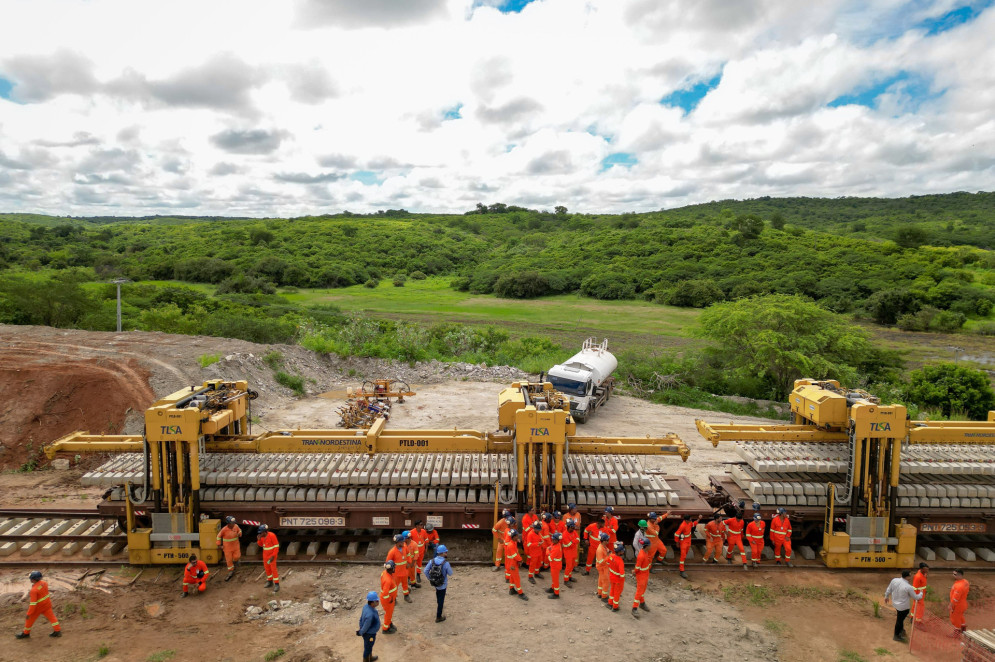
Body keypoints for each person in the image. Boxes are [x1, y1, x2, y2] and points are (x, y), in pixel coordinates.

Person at [15, 571, 61, 639]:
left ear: (33, 579)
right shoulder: (44, 583)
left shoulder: (33, 590)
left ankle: (26, 633)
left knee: (29, 620)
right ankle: (57, 631)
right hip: (47, 604)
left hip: (38, 608)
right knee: (52, 618)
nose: (30, 579)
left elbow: (33, 604)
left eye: (31, 578)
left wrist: (29, 613)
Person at [884, 569, 921, 642]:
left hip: (895, 604)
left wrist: (886, 596)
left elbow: (889, 589)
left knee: (900, 618)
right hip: (903, 607)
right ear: (908, 577)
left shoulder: (894, 580)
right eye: (910, 575)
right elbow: (916, 597)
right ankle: (896, 635)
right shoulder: (908, 587)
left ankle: (901, 630)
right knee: (899, 621)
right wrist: (921, 593)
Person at [424, 544, 454, 622]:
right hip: (442, 584)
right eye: (446, 552)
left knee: (438, 596)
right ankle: (438, 616)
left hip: (435, 583)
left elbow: (425, 571)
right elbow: (450, 573)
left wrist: (430, 578)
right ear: (443, 553)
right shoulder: (446, 563)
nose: (446, 553)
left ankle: (439, 605)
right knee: (441, 600)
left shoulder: (432, 561)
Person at [504, 529, 528, 600]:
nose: (518, 537)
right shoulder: (511, 545)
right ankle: (520, 593)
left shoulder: (513, 542)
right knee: (517, 578)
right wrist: (520, 560)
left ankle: (511, 589)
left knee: (512, 577)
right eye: (517, 536)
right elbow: (515, 555)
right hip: (512, 564)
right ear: (513, 537)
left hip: (512, 563)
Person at [386, 534, 411, 602]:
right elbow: (388, 563)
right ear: (397, 543)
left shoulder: (405, 547)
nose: (403, 543)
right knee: (394, 587)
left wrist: (409, 562)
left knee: (405, 585)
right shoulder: (392, 552)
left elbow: (408, 554)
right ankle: (394, 598)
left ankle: (406, 595)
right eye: (402, 542)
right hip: (396, 573)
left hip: (404, 571)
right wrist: (390, 573)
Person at [357, 590, 381, 662]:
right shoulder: (370, 614)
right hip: (369, 634)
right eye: (376, 601)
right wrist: (361, 632)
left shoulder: (365, 607)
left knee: (369, 646)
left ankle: (370, 657)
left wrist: (361, 628)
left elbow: (361, 619)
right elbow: (366, 626)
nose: (378, 602)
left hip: (368, 633)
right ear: (372, 602)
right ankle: (366, 660)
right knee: (367, 648)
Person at [674, 514, 700, 578]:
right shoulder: (682, 526)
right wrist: (677, 542)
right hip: (684, 542)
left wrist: (699, 519)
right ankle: (681, 570)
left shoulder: (689, 522)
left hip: (688, 540)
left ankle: (682, 563)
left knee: (685, 554)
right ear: (686, 520)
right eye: (689, 520)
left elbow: (693, 524)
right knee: (683, 555)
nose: (691, 521)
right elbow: (676, 534)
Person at [217, 516, 242, 581]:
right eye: (232, 523)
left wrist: (239, 534)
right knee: (229, 559)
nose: (233, 524)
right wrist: (219, 545)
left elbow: (239, 531)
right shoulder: (224, 530)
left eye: (234, 523)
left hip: (235, 545)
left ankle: (236, 561)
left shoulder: (236, 526)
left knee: (237, 556)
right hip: (227, 547)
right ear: (228, 523)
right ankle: (231, 570)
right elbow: (218, 536)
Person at [631, 538, 652, 618]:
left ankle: (642, 603)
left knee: (642, 590)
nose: (651, 546)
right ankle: (634, 608)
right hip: (641, 575)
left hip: (645, 574)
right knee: (639, 591)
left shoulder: (645, 552)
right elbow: (637, 568)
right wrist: (634, 572)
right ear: (647, 546)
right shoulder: (641, 555)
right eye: (650, 545)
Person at [257, 524, 280, 592]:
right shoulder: (262, 537)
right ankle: (270, 581)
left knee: (273, 569)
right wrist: (258, 540)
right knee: (267, 569)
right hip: (265, 556)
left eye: (261, 533)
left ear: (265, 532)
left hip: (272, 556)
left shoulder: (272, 535)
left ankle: (277, 584)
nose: (260, 534)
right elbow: (261, 545)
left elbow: (276, 546)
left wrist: (273, 556)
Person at [379, 560, 398, 634]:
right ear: (391, 569)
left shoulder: (384, 573)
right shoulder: (388, 580)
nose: (395, 568)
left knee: (389, 613)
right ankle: (385, 629)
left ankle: (389, 624)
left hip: (388, 599)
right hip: (388, 600)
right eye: (394, 567)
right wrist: (390, 599)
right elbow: (385, 593)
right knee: (388, 614)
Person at [607, 541, 626, 612]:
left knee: (612, 590)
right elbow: (622, 574)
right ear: (620, 552)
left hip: (611, 577)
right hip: (618, 580)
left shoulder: (611, 556)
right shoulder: (620, 561)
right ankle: (615, 607)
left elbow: (607, 562)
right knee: (617, 593)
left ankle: (610, 603)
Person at [950, 568, 970, 632]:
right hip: (963, 603)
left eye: (954, 574)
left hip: (958, 605)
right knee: (960, 615)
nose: (953, 575)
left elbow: (956, 598)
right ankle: (963, 627)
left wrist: (951, 605)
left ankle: (957, 631)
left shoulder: (959, 586)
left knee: (955, 618)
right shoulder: (965, 582)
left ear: (960, 575)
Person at [546, 532, 564, 599]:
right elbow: (549, 547)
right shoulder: (555, 544)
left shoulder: (556, 548)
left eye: (554, 539)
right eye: (552, 539)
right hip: (554, 565)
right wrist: (549, 551)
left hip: (555, 566)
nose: (552, 540)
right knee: (554, 578)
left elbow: (550, 558)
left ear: (558, 540)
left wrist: (548, 551)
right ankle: (552, 588)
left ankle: (556, 594)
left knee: (555, 580)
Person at [562, 520, 580, 585]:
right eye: (572, 528)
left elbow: (578, 539)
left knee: (572, 566)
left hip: (573, 552)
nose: (573, 529)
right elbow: (569, 544)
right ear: (568, 527)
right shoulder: (564, 534)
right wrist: (574, 541)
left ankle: (569, 577)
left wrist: (572, 541)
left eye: (574, 527)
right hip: (568, 553)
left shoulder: (573, 531)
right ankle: (566, 580)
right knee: (568, 567)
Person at [595, 532, 611, 602]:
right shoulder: (600, 549)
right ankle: (604, 596)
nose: (608, 541)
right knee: (606, 581)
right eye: (607, 540)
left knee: (601, 580)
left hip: (603, 567)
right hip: (602, 567)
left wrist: (609, 553)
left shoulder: (603, 547)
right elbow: (601, 561)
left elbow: (607, 551)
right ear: (604, 541)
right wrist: (608, 557)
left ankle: (599, 593)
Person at [411, 521, 428, 586]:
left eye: (422, 524)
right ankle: (410, 577)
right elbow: (409, 542)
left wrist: (426, 548)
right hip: (414, 551)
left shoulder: (423, 531)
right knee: (412, 564)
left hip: (421, 550)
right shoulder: (411, 532)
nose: (422, 526)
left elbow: (426, 540)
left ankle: (418, 575)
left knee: (419, 563)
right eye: (421, 525)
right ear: (417, 526)